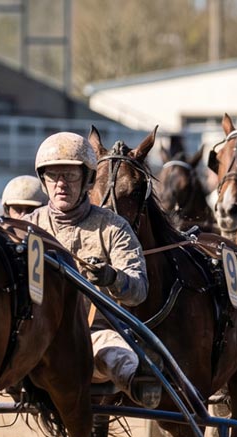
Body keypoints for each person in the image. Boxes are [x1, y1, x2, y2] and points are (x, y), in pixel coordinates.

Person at [23, 132, 158, 409]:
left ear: (87, 180)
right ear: (43, 180)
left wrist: (112, 278)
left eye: (70, 176)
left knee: (114, 353)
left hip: (92, 336)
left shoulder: (114, 228)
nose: (61, 184)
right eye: (53, 176)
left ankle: (141, 381)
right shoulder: (27, 228)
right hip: (32, 335)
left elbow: (139, 290)